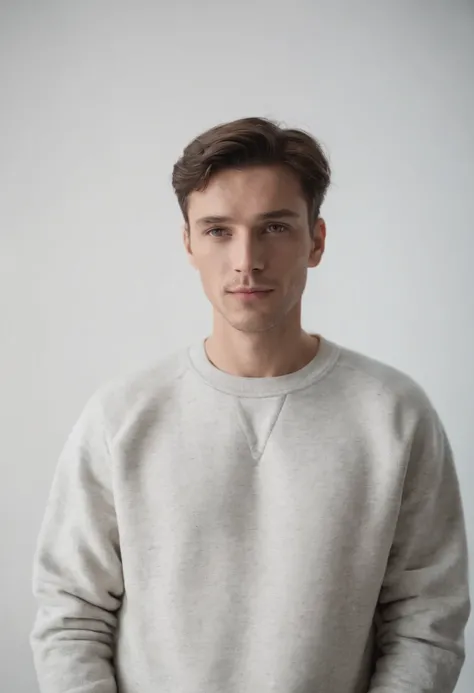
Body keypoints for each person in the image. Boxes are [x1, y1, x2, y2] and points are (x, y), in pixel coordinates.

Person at [31, 117, 470, 693]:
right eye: (218, 230)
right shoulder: (122, 416)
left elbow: (426, 621)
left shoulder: (394, 414)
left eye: (274, 228)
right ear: (188, 242)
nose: (246, 259)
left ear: (316, 240)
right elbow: (70, 615)